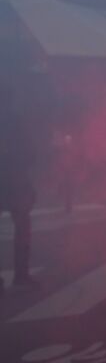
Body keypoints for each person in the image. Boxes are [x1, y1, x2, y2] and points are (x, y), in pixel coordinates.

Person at [0, 83, 40, 294]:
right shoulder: (16, 121)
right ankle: (21, 274)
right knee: (22, 226)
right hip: (15, 180)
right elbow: (30, 152)